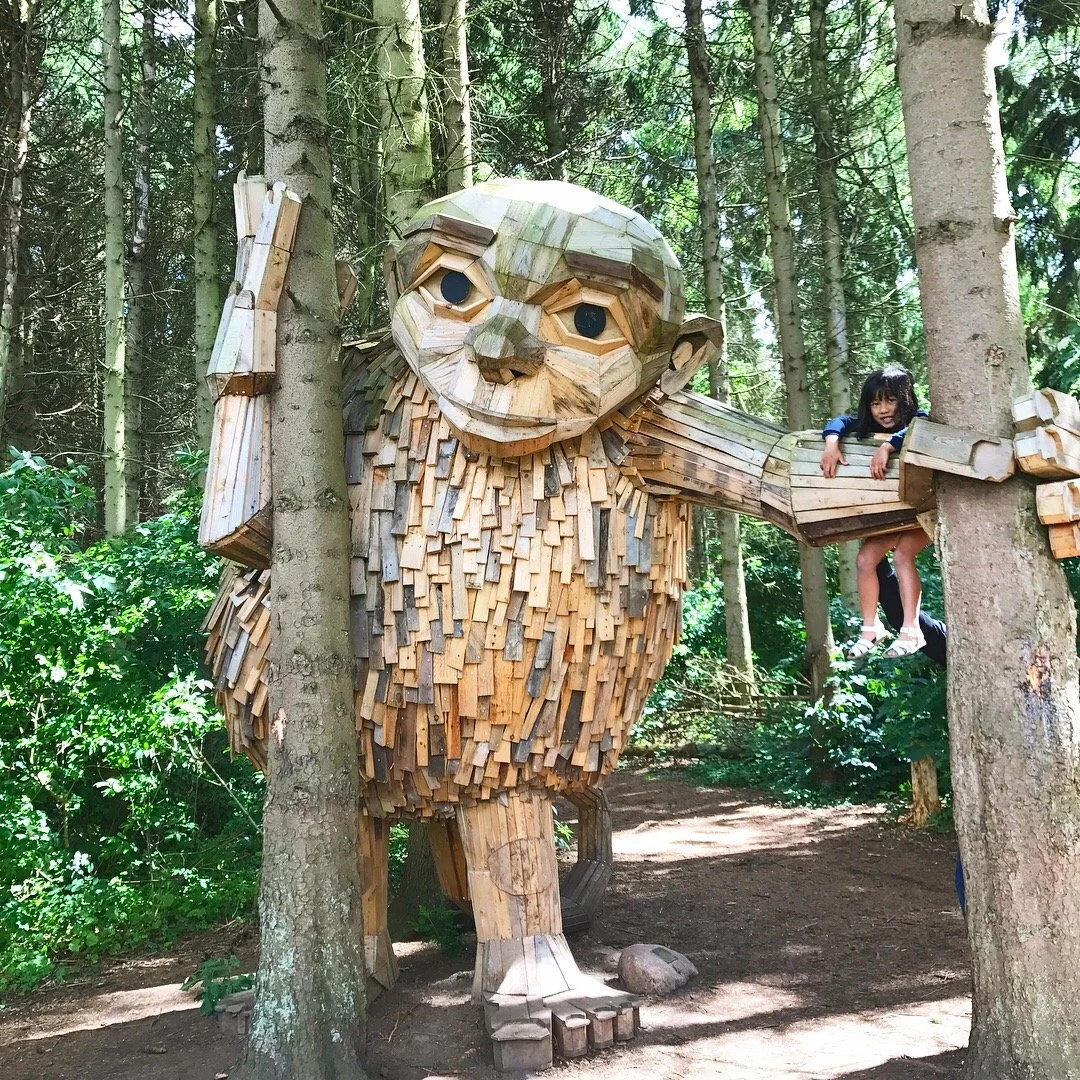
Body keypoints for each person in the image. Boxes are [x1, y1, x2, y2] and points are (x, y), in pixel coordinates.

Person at [820, 366, 931, 659]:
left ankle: (912, 631)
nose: (883, 409)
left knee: (902, 555)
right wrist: (831, 443)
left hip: (922, 509)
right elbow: (841, 421)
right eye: (875, 403)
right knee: (865, 559)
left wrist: (887, 448)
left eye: (890, 401)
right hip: (890, 514)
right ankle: (871, 629)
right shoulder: (867, 428)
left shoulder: (919, 421)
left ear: (904, 399)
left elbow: (919, 428)